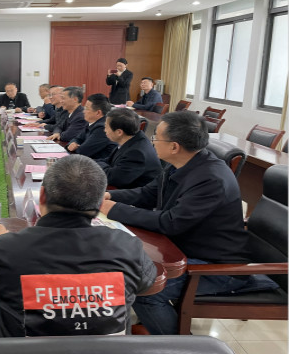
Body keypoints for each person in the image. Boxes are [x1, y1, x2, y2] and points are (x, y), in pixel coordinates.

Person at [99, 111, 277, 335]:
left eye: (156, 138)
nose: (152, 142)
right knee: (128, 264)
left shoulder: (210, 179)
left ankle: (181, 345)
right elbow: (148, 193)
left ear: (174, 146)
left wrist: (115, 210)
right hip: (187, 249)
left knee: (145, 289)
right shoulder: (182, 163)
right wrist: (110, 196)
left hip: (217, 267)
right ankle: (154, 322)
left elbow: (170, 222)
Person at [0, 155, 156, 338]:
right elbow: (146, 282)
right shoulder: (128, 246)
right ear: (100, 203)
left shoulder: (3, 249)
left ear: (42, 196)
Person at [95, 108, 161, 188]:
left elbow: (113, 178)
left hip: (134, 193)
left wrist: (96, 165)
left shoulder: (137, 153)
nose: (104, 130)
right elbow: (109, 161)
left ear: (119, 132)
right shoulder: (131, 139)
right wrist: (91, 162)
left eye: (106, 127)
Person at [66, 93, 117, 159]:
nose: (83, 111)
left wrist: (76, 146)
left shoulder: (103, 128)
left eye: (86, 109)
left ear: (98, 113)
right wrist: (73, 144)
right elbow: (77, 138)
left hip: (99, 163)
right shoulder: (92, 123)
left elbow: (83, 151)